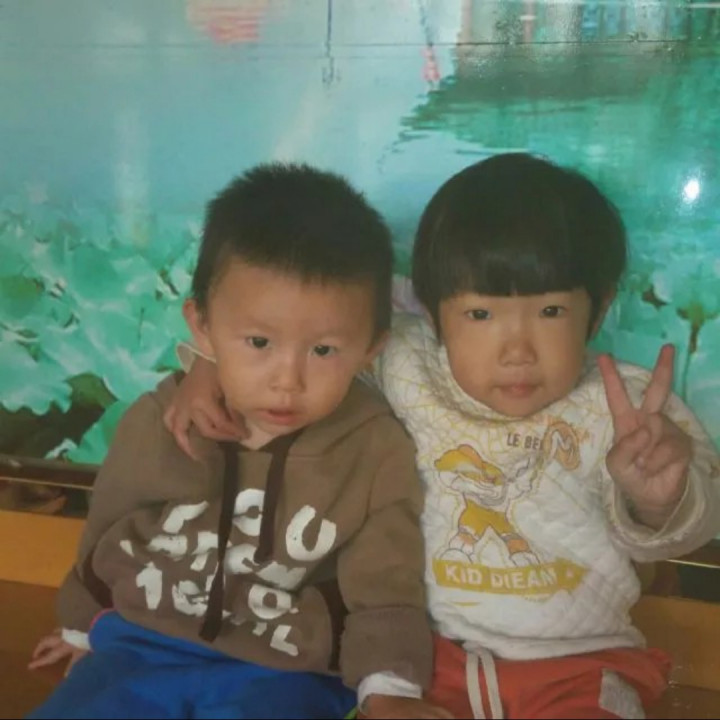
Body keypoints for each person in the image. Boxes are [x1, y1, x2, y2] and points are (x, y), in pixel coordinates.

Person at [167, 154, 720, 719]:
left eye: (551, 310)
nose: (517, 350)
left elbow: (693, 523)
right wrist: (207, 366)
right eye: (480, 315)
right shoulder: (406, 363)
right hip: (426, 660)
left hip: (580, 665)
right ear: (432, 315)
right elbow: (303, 329)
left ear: (597, 311)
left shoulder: (626, 408)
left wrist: (661, 500)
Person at [28, 163, 450, 720]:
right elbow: (110, 522)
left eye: (323, 350)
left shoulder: (374, 450)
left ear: (371, 348)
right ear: (202, 328)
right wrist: (80, 626)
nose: (287, 380)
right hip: (141, 641)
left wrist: (388, 687)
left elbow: (386, 581)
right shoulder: (162, 419)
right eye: (258, 342)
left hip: (287, 668)